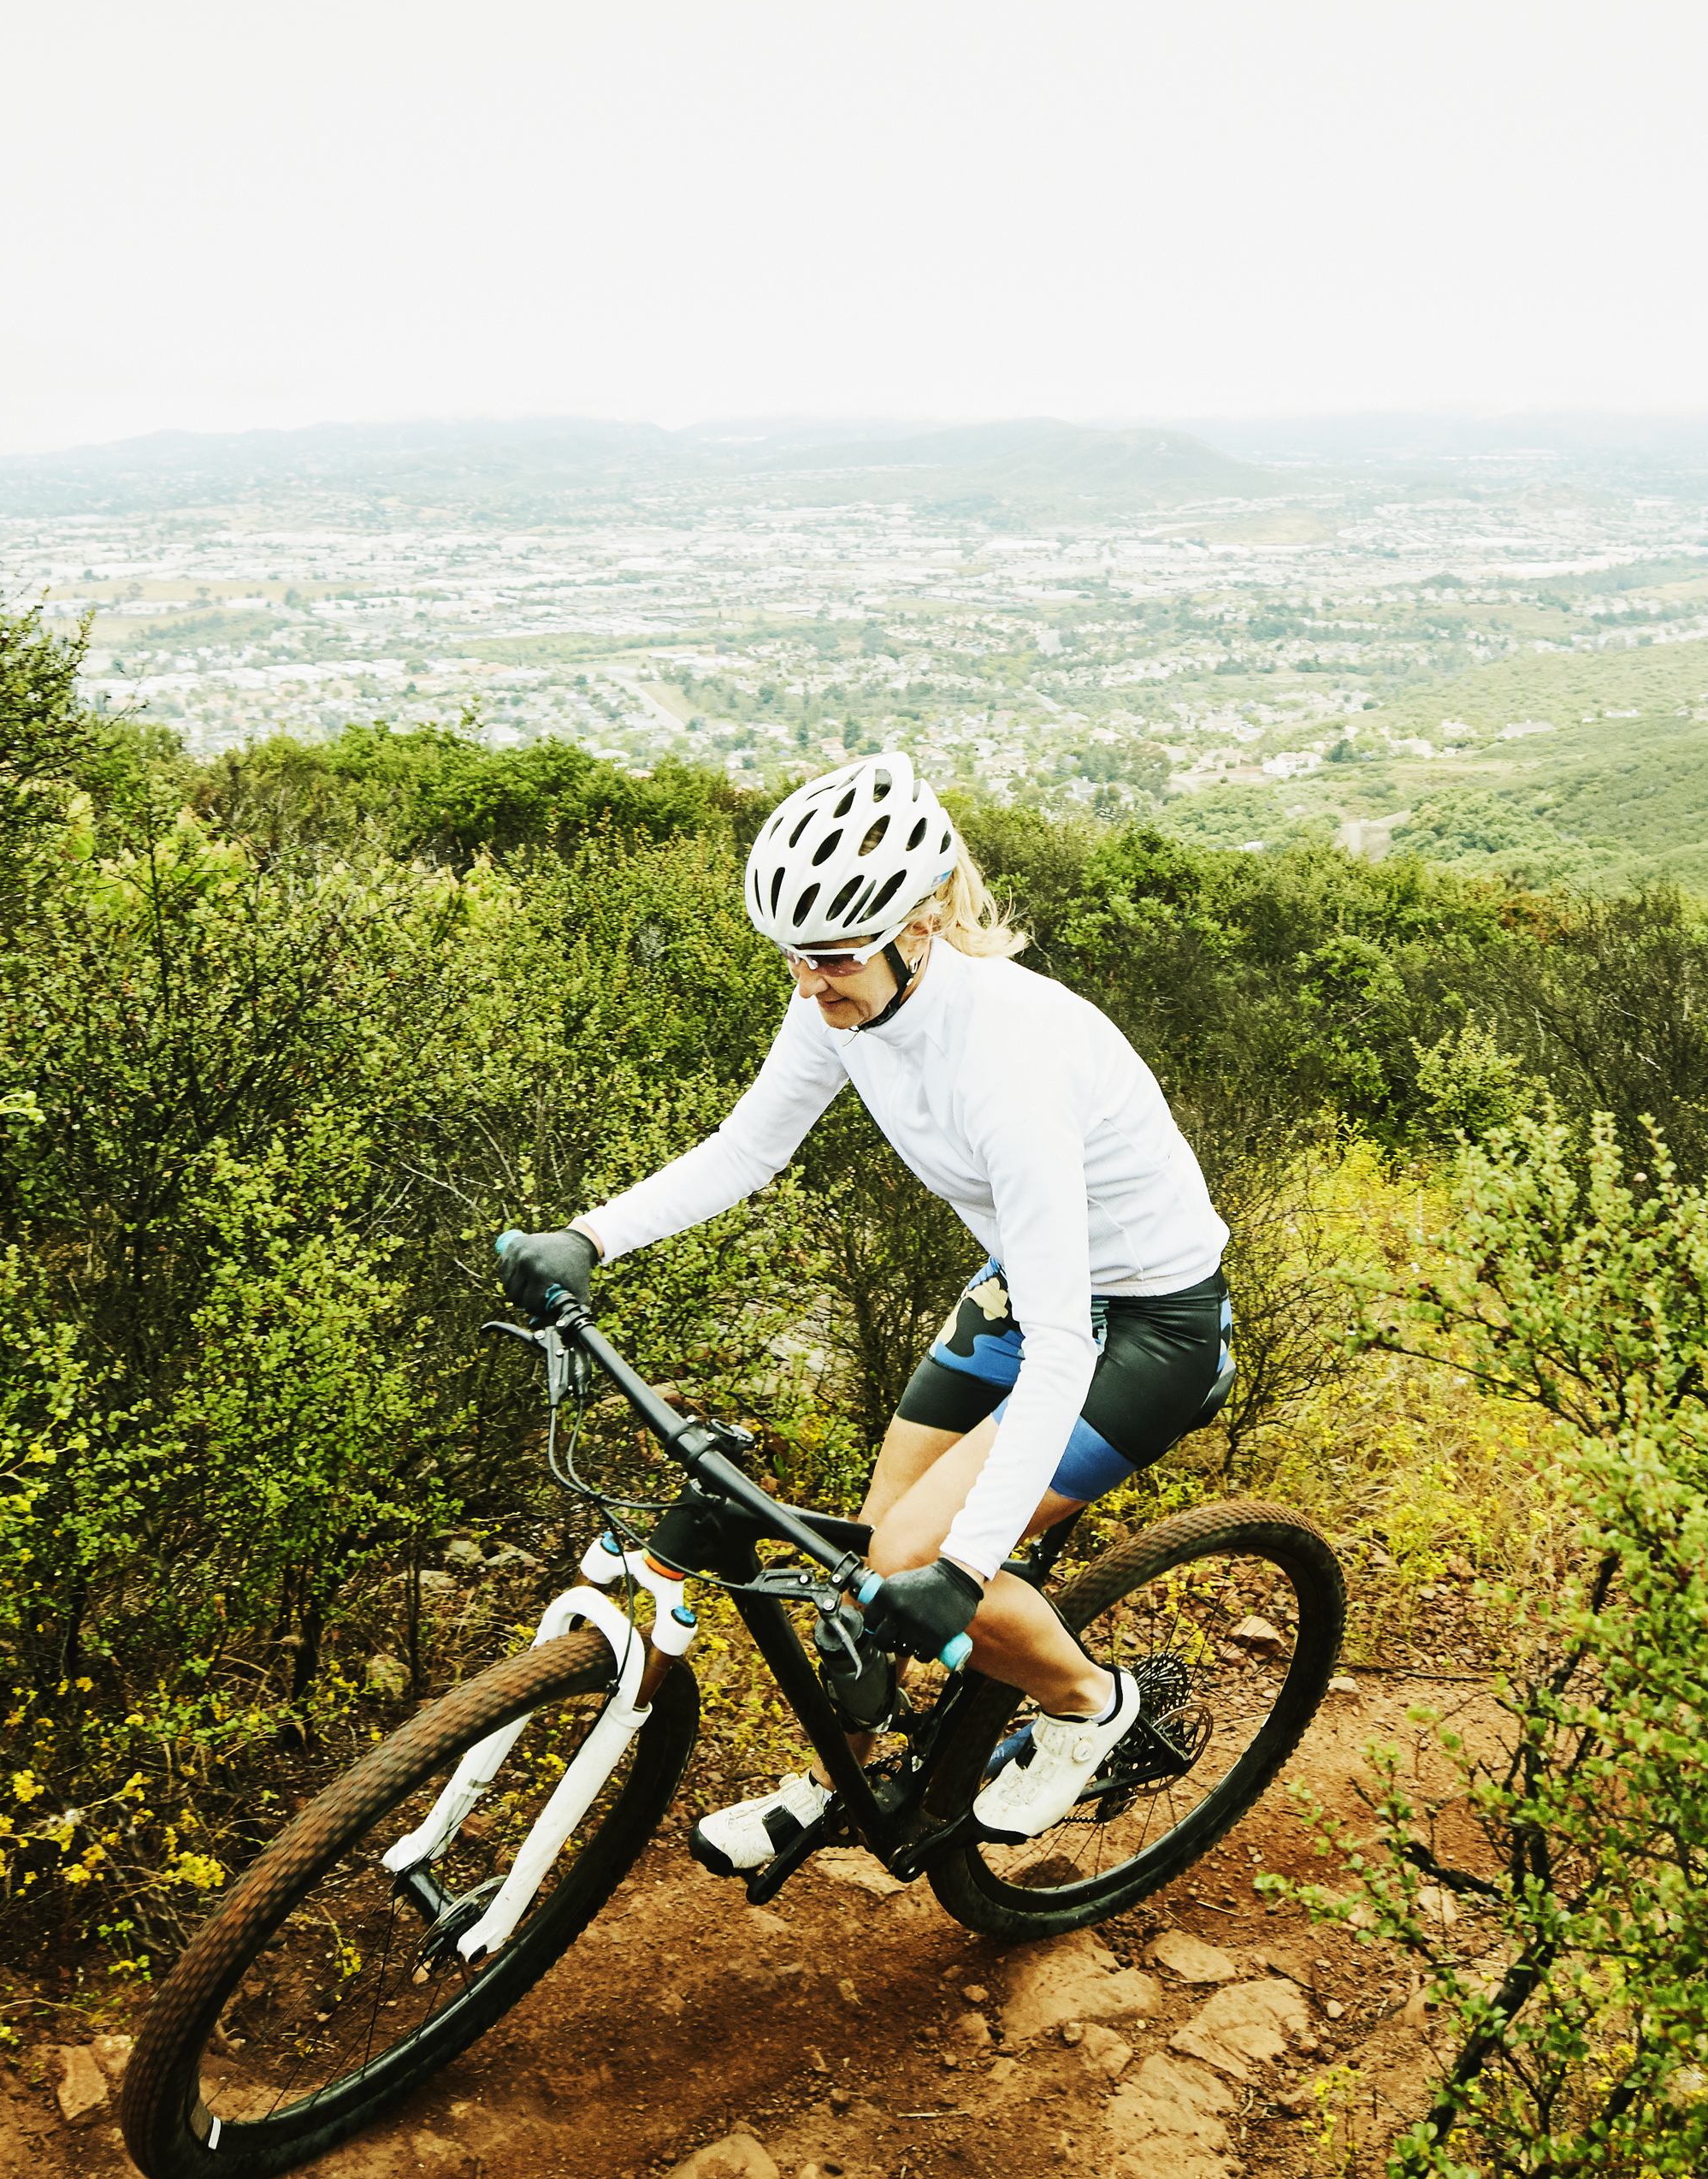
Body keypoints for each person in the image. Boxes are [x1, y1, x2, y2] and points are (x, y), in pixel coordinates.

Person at [495, 750, 1232, 1860]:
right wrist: (592, 1235)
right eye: (793, 958)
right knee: (870, 1565)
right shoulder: (844, 1004)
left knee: (918, 1565)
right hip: (1027, 1290)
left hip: (1145, 1327)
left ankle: (1094, 1708)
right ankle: (852, 1775)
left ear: (919, 931)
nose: (807, 985)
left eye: (831, 959)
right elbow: (750, 1147)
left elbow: (1067, 1346)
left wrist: (964, 1567)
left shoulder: (1011, 1065)